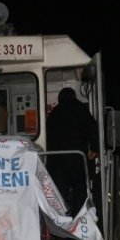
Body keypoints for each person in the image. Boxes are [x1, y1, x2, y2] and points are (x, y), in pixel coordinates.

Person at [45, 87, 99, 216]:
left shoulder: (53, 113)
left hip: (56, 162)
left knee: (59, 196)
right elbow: (92, 130)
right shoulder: (80, 108)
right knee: (80, 191)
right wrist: (94, 149)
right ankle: (78, 223)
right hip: (77, 160)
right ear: (74, 96)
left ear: (60, 99)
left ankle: (60, 224)